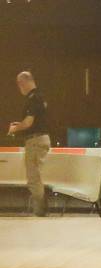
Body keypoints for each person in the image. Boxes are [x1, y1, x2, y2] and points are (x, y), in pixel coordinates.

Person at [8, 72, 49, 217]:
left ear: (23, 82)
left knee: (33, 178)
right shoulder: (40, 97)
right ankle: (40, 210)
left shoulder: (33, 98)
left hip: (35, 141)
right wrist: (21, 124)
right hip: (40, 138)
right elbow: (33, 122)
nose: (19, 88)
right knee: (36, 176)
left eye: (19, 84)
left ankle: (39, 212)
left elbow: (29, 122)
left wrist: (15, 128)